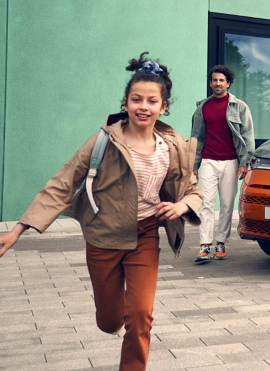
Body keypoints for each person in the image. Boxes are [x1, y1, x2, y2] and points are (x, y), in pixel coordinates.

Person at [0, 53, 203, 371]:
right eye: (137, 99)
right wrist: (19, 229)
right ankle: (117, 308)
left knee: (140, 315)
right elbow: (62, 183)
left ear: (163, 107)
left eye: (152, 101)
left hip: (145, 234)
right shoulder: (103, 142)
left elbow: (194, 191)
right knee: (109, 322)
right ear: (126, 102)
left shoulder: (173, 148)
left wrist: (181, 205)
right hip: (103, 238)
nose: (143, 107)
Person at [191, 65, 254, 262]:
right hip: (209, 160)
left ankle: (220, 243)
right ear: (210, 83)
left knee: (227, 205)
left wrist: (244, 162)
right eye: (214, 80)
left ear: (228, 83)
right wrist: (194, 165)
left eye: (221, 80)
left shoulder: (239, 106)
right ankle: (204, 245)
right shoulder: (203, 107)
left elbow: (247, 136)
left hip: (231, 162)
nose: (217, 83)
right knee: (207, 203)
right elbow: (196, 137)